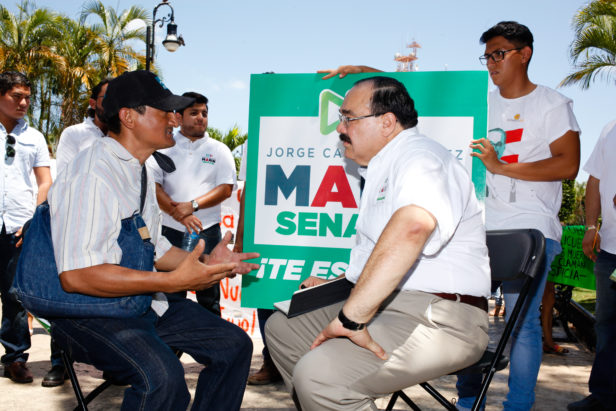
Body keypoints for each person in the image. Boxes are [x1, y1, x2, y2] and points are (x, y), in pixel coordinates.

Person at [320, 21, 581, 411]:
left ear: (524, 54)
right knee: (462, 303)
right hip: (472, 227)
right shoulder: (478, 97)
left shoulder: (551, 104)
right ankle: (468, 400)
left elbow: (569, 165)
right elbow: (413, 92)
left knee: (521, 324)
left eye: (500, 53)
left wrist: (502, 167)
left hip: (527, 226)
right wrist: (365, 74)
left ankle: (517, 406)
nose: (491, 63)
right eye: (487, 55)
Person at [265, 76, 491, 411]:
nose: (340, 128)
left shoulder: (421, 158)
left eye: (348, 118)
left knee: (320, 376)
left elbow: (413, 228)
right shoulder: (380, 169)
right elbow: (385, 257)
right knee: (283, 328)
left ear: (387, 122)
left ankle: (329, 393)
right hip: (393, 304)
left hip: (440, 316)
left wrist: (352, 318)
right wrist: (337, 286)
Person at [47, 70, 259, 410]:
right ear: (129, 117)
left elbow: (154, 248)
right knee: (162, 379)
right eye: (163, 110)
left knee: (233, 346)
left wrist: (206, 265)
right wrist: (171, 280)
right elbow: (77, 277)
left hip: (141, 303)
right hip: (91, 314)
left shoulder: (139, 169)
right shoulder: (92, 174)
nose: (173, 118)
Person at [40, 78, 111, 388]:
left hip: (113, 231)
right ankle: (61, 363)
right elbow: (69, 178)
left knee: (111, 298)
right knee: (66, 297)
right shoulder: (75, 134)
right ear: (93, 102)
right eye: (106, 97)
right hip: (78, 226)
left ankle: (115, 364)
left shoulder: (128, 135)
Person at [148, 92, 236, 315]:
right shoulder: (163, 145)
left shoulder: (219, 149)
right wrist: (181, 214)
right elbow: (154, 186)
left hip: (207, 232)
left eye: (204, 114)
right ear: (178, 117)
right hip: (169, 231)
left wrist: (193, 206)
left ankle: (212, 348)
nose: (200, 118)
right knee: (170, 297)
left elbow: (226, 188)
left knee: (209, 299)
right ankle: (169, 351)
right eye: (194, 113)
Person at [0, 71, 52, 384]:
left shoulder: (34, 137)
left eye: (27, 98)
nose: (23, 103)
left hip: (18, 226)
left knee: (15, 296)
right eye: (16, 96)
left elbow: (44, 181)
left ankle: (16, 357)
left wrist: (32, 221)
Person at [567, 120, 616, 411]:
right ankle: (603, 397)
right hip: (610, 249)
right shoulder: (611, 128)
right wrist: (590, 226)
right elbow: (595, 180)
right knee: (607, 326)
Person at [233, 142, 282, 385]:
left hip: (314, 231)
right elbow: (248, 192)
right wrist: (240, 237)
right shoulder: (254, 140)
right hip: (267, 231)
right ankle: (272, 362)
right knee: (266, 296)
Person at [55, 78, 110, 175]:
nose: (114, 103)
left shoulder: (127, 137)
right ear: (93, 104)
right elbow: (64, 178)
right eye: (108, 97)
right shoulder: (74, 134)